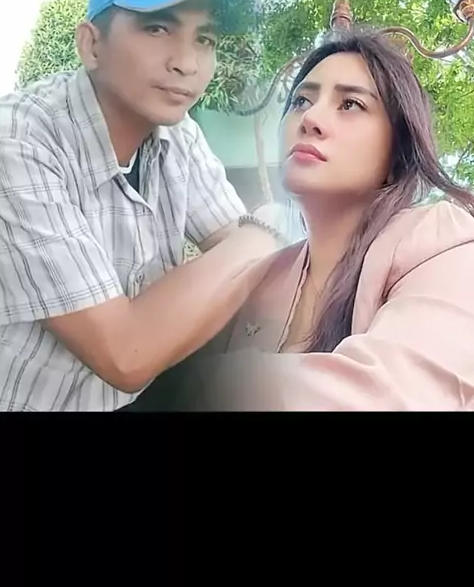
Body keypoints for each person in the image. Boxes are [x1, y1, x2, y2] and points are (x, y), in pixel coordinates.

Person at [0, 0, 283, 412]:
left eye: (205, 39)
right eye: (157, 28)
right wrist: (265, 230)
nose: (187, 63)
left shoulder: (179, 135)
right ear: (92, 45)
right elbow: (124, 354)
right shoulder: (16, 140)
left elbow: (249, 261)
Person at [176, 28, 474, 411]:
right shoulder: (263, 277)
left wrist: (194, 385)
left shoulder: (442, 246)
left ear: (397, 153)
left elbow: (391, 396)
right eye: (301, 100)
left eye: (350, 104)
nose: (311, 118)